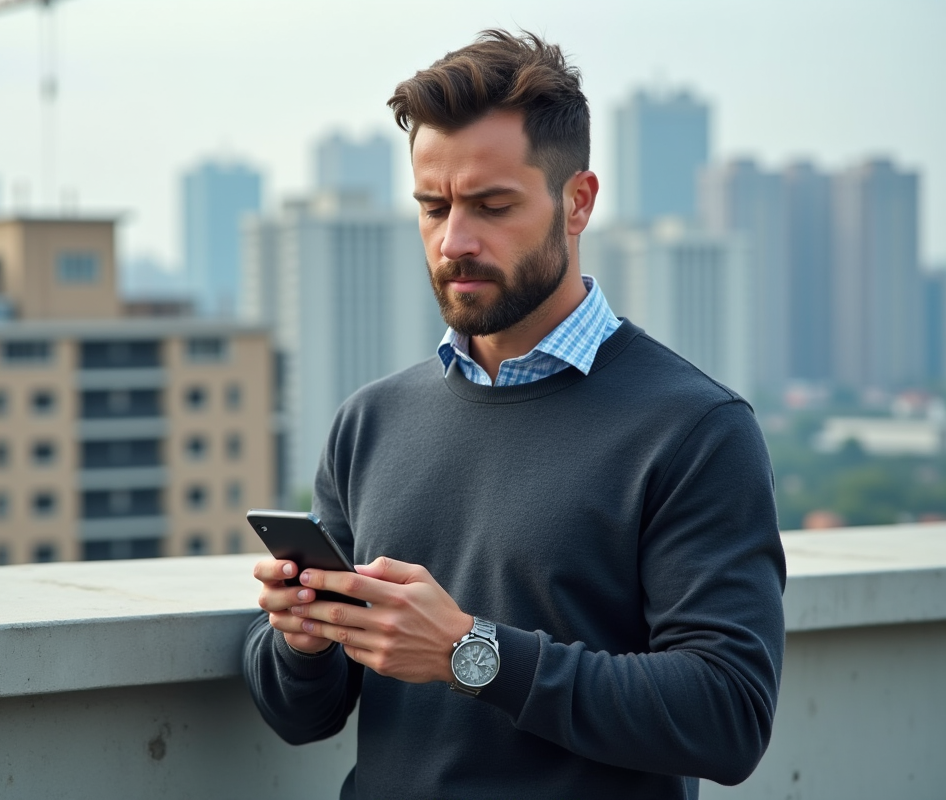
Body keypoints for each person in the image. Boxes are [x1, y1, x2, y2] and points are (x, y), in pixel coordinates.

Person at [243, 29, 785, 799]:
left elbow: (727, 718)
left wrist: (470, 650)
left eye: (492, 205)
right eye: (432, 207)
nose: (453, 240)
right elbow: (304, 717)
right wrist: (302, 641)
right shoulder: (368, 421)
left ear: (578, 202)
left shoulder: (695, 430)